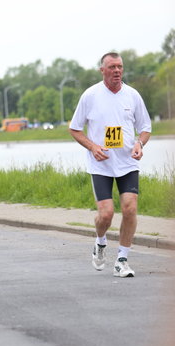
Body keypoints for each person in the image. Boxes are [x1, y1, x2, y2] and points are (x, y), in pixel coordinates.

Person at [69, 52, 151, 278]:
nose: (117, 71)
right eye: (112, 67)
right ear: (102, 70)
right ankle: (100, 242)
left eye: (120, 67)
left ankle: (122, 260)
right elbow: (75, 128)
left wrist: (139, 144)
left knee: (130, 208)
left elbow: (145, 128)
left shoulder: (132, 95)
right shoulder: (90, 95)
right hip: (101, 165)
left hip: (127, 163)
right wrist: (93, 147)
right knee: (106, 215)